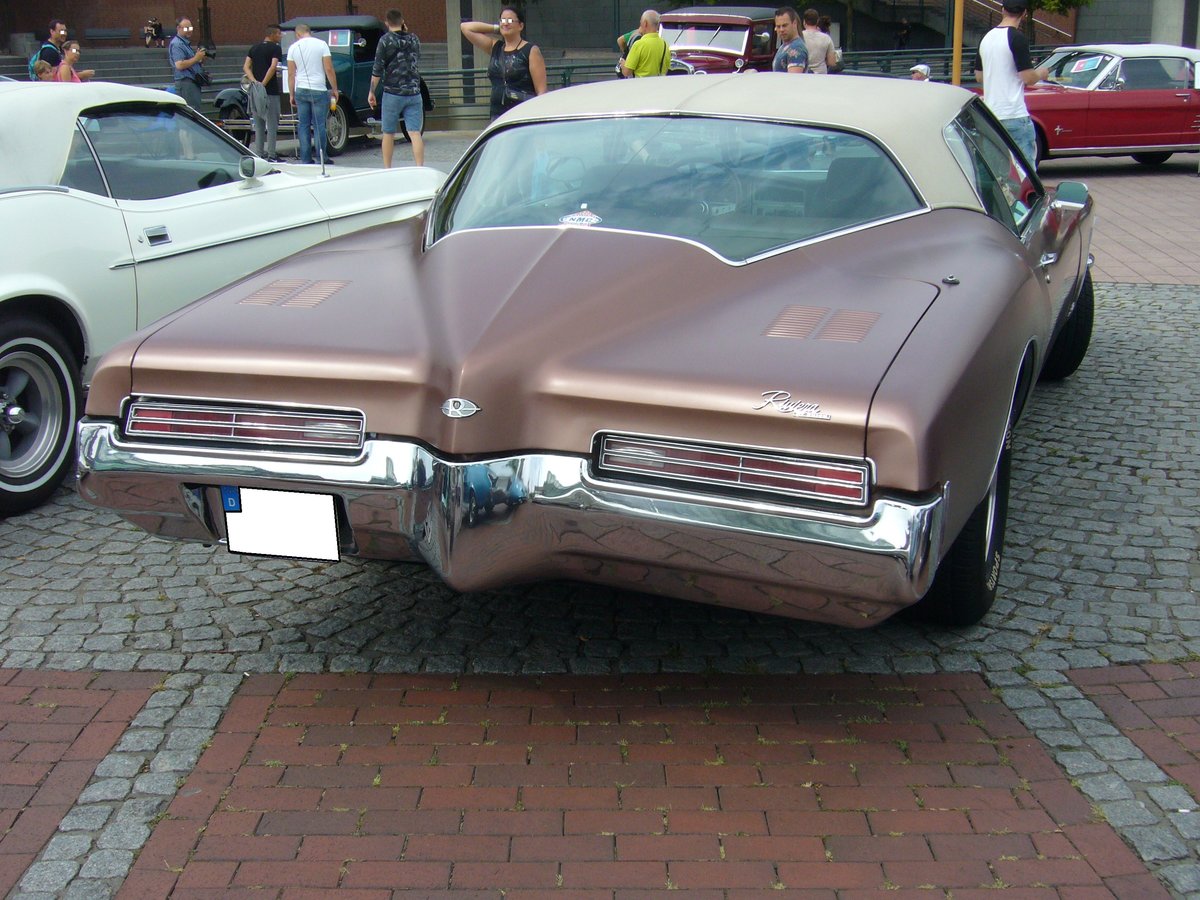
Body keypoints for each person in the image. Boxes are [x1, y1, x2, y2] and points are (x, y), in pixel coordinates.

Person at [973, 1, 1049, 165]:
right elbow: (1028, 77)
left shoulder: (986, 38)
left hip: (991, 115)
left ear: (1002, 10)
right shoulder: (1017, 38)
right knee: (1023, 171)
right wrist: (1041, 73)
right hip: (1014, 114)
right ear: (1024, 14)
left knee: (996, 171)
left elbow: (979, 76)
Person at [460, 6, 547, 120]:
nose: (506, 23)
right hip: (497, 115)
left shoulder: (531, 50)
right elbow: (465, 27)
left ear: (520, 26)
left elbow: (541, 90)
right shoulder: (495, 47)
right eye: (503, 20)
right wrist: (498, 28)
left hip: (522, 113)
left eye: (510, 20)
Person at [368, 8, 425, 169]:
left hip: (392, 93)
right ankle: (419, 167)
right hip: (414, 92)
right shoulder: (414, 39)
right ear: (402, 21)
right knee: (414, 133)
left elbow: (377, 69)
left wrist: (372, 91)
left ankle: (388, 168)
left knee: (388, 133)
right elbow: (416, 58)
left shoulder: (385, 41)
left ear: (387, 23)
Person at [287, 23, 339, 164]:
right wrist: (334, 89)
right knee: (319, 125)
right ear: (309, 32)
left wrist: (291, 94)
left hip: (301, 89)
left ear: (298, 34)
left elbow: (291, 74)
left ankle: (305, 159)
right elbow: (329, 69)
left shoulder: (293, 48)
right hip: (319, 89)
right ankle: (322, 157)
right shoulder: (322, 45)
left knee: (303, 125)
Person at [243, 24, 283, 161]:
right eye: (279, 33)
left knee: (258, 124)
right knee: (272, 124)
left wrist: (254, 81)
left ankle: (259, 153)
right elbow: (273, 66)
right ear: (272, 34)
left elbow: (246, 66)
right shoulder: (276, 48)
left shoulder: (254, 48)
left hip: (255, 91)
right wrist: (263, 84)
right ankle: (271, 154)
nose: (280, 36)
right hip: (270, 91)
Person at [169, 18, 208, 111]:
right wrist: (196, 58)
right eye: (186, 28)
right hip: (185, 83)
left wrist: (200, 59)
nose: (189, 31)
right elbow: (179, 65)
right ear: (178, 28)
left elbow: (191, 62)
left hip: (192, 83)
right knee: (190, 111)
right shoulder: (177, 44)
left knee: (195, 110)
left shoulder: (184, 43)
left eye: (190, 28)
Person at [621, 10, 670, 78]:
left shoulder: (639, 44)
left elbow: (627, 72)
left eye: (640, 22)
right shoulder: (665, 44)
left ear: (645, 23)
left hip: (642, 83)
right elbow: (666, 68)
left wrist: (623, 63)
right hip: (659, 83)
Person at [801, 8, 837, 74]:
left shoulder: (799, 37)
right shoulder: (826, 38)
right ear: (817, 21)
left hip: (803, 74)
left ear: (804, 21)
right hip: (821, 75)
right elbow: (832, 62)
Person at [772, 7, 808, 73]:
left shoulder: (796, 48)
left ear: (794, 23)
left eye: (784, 25)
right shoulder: (785, 45)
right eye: (778, 26)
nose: (781, 30)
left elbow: (793, 78)